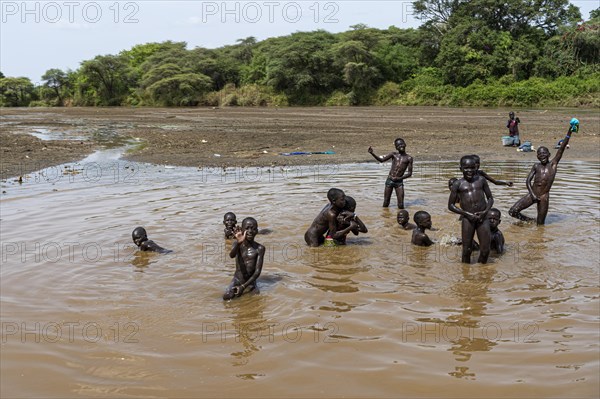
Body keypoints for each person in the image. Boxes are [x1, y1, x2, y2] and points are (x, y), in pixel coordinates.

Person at [509, 120, 577, 225]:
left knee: (540, 225)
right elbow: (528, 181)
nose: (542, 155)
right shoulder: (536, 166)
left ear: (549, 154)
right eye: (540, 154)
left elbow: (562, 148)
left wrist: (569, 132)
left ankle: (536, 226)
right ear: (537, 157)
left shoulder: (553, 165)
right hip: (532, 194)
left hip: (544, 197)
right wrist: (532, 195)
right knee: (512, 211)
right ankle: (529, 221)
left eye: (544, 153)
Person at [448, 155, 494, 264]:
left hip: (483, 218)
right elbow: (450, 205)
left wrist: (485, 212)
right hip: (467, 219)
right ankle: (466, 274)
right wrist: (466, 214)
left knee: (485, 250)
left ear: (476, 168)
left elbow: (490, 198)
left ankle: (482, 272)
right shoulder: (457, 184)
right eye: (466, 168)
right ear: (461, 169)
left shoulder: (481, 180)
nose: (470, 171)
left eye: (472, 168)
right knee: (467, 250)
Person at [223, 217, 265, 300]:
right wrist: (239, 243)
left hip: (250, 282)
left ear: (256, 231)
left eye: (253, 229)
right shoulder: (237, 244)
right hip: (237, 279)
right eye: (247, 228)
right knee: (227, 297)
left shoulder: (260, 248)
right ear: (241, 230)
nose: (250, 231)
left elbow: (257, 272)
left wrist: (243, 287)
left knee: (255, 301)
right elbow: (231, 255)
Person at [368, 138, 413, 208]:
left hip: (399, 182)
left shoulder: (409, 158)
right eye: (398, 145)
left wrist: (399, 178)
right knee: (386, 202)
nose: (401, 146)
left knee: (401, 204)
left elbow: (409, 173)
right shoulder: (393, 155)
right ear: (396, 147)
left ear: (405, 144)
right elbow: (381, 160)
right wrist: (372, 153)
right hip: (390, 180)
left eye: (402, 144)